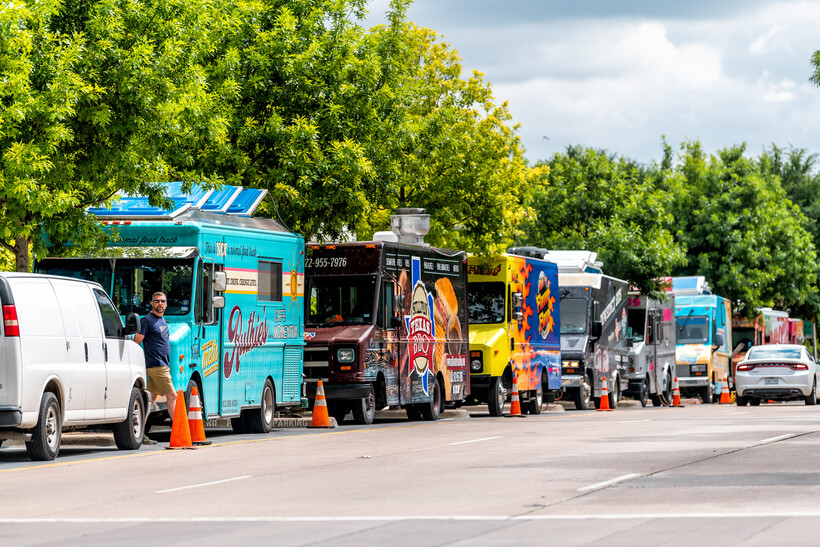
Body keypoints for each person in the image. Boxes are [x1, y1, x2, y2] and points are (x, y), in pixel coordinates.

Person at [133, 291, 177, 444]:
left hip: (161, 364)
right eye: (156, 301)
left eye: (162, 301)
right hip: (156, 365)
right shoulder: (147, 320)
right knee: (172, 396)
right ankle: (179, 431)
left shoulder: (162, 320)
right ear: (152, 303)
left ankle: (139, 433)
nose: (160, 303)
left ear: (166, 304)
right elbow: (136, 341)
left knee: (150, 399)